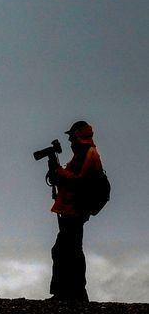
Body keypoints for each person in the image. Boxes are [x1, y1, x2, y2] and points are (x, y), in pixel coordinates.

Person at [47, 121, 104, 302]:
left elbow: (79, 181)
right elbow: (70, 177)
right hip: (72, 209)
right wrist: (58, 173)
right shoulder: (81, 154)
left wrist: (58, 172)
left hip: (77, 210)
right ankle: (70, 293)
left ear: (79, 135)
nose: (70, 140)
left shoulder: (89, 154)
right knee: (67, 249)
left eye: (72, 136)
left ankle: (73, 293)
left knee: (67, 250)